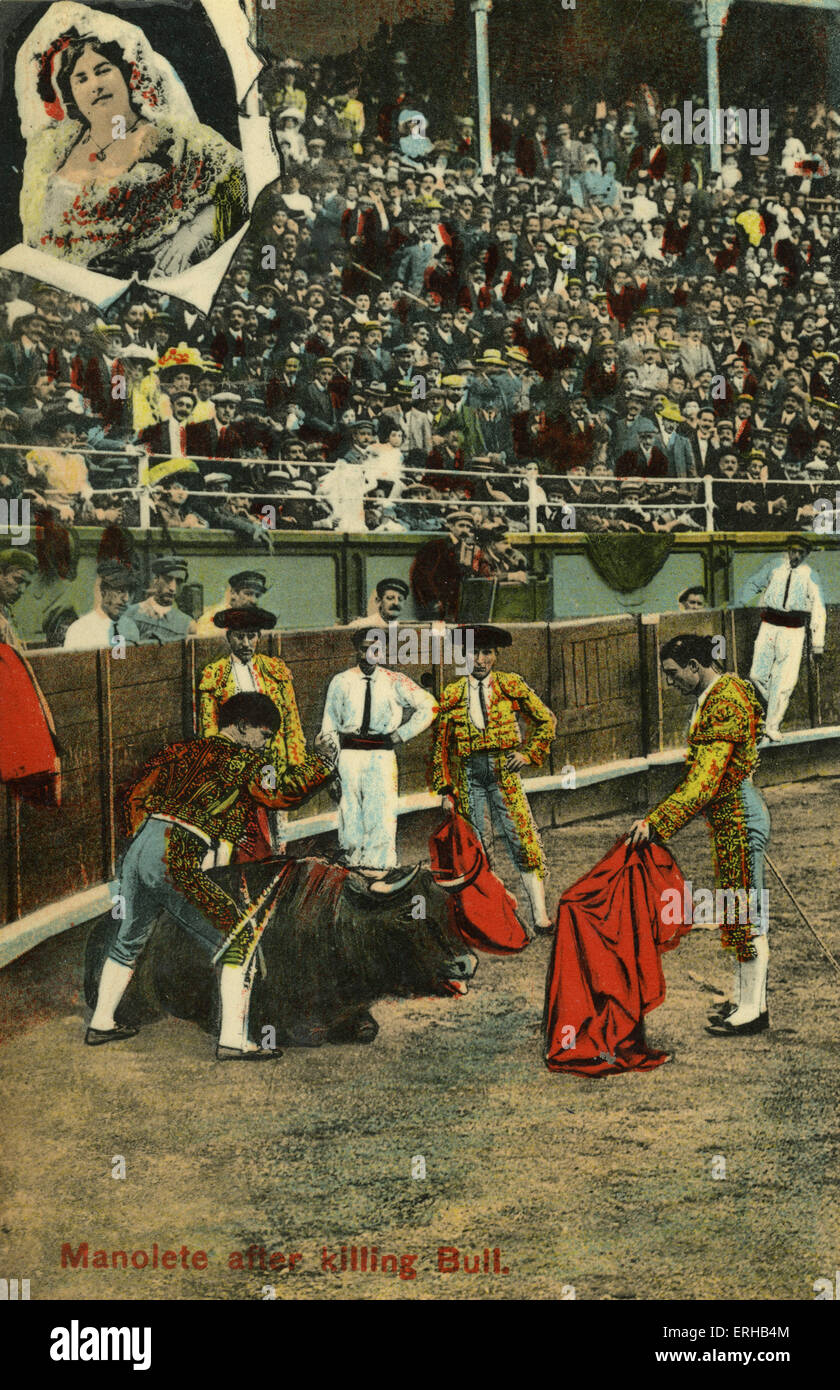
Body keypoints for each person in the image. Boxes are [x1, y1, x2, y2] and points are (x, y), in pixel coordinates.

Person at [85, 692, 336, 1059]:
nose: (264, 744)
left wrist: (147, 842)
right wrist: (323, 763)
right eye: (263, 736)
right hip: (176, 854)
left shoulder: (180, 750)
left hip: (140, 849)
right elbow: (282, 791)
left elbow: (134, 797)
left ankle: (101, 1022)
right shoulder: (242, 761)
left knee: (130, 937)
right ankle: (234, 1041)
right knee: (241, 936)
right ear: (243, 726)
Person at [17, 4, 248, 278]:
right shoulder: (54, 147)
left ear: (128, 75)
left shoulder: (176, 139)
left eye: (104, 70)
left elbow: (248, 184)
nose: (95, 85)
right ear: (72, 94)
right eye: (81, 78)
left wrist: (192, 233)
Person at [627, 634, 770, 1037]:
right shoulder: (722, 690)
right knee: (740, 909)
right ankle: (748, 1002)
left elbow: (704, 782)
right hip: (735, 813)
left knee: (746, 912)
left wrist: (657, 823)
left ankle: (753, 1011)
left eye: (674, 674)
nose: (670, 683)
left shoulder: (722, 700)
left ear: (694, 665)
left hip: (739, 815)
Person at [430, 625, 556, 936]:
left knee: (523, 840)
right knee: (478, 846)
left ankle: (540, 915)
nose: (480, 659)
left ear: (496, 656)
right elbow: (441, 746)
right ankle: (492, 917)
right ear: (464, 654)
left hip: (504, 772)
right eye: (474, 652)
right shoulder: (452, 694)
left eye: (487, 652)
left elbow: (546, 720)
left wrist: (528, 754)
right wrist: (446, 789)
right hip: (469, 777)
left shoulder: (511, 685)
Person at [319, 628, 437, 870]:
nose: (369, 654)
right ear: (356, 649)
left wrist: (401, 734)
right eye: (364, 648)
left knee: (381, 818)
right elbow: (329, 727)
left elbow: (430, 707)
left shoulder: (395, 680)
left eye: (376, 649)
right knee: (350, 820)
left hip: (382, 756)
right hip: (349, 756)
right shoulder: (341, 681)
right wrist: (330, 771)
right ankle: (354, 875)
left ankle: (380, 875)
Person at [736, 535, 825, 742]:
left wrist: (818, 643)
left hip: (793, 631)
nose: (796, 555)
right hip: (768, 626)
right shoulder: (774, 566)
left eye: (801, 553)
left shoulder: (810, 574)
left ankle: (772, 726)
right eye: (793, 551)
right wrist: (741, 601)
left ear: (806, 555)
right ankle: (777, 701)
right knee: (757, 674)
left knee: (783, 681)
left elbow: (819, 609)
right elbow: (753, 583)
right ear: (788, 550)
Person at [63, 559, 141, 650]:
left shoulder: (130, 627)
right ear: (103, 591)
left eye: (130, 592)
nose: (126, 599)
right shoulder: (80, 630)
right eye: (120, 591)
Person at [123, 555, 197, 644]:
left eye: (179, 581)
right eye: (168, 579)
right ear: (156, 580)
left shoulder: (187, 624)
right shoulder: (130, 614)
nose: (173, 588)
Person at [195, 569, 269, 637]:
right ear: (233, 593)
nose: (254, 600)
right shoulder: (211, 618)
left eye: (257, 596)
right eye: (248, 594)